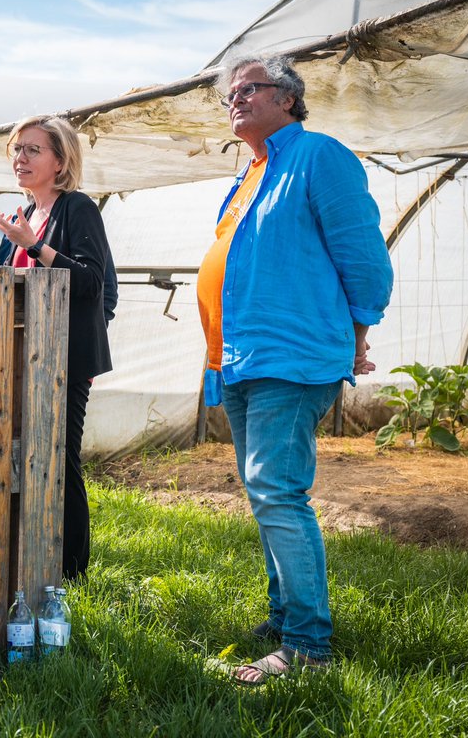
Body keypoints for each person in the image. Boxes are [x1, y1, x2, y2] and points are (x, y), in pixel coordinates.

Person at [197, 54, 393, 683]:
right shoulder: (252, 171)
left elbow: (364, 259)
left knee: (278, 491)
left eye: (248, 89)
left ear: (287, 97)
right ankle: (286, 615)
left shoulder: (319, 156)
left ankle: (308, 645)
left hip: (290, 354)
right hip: (241, 356)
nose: (236, 100)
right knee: (266, 493)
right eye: (230, 94)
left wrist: (355, 334)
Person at [0, 115, 113, 582]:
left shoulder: (77, 209)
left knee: (61, 459)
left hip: (65, 358)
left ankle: (72, 574)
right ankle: (34, 555)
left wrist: (35, 245)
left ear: (61, 160)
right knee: (28, 456)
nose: (20, 158)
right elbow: (13, 288)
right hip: (25, 358)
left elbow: (91, 282)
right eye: (16, 149)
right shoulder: (25, 215)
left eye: (32, 150)